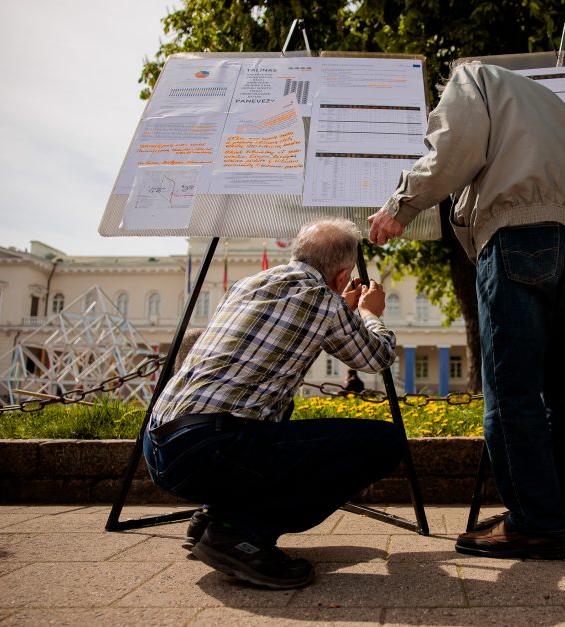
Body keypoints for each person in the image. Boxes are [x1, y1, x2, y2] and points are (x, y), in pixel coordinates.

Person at [368, 61, 565, 560]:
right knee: (564, 390)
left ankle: (534, 524)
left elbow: (454, 146)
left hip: (515, 233)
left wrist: (400, 205)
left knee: (511, 386)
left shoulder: (470, 76)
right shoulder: (552, 103)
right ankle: (560, 510)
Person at [143, 217, 402, 589]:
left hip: (160, 446)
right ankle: (238, 534)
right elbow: (376, 358)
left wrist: (339, 309)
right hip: (210, 450)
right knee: (383, 442)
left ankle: (214, 516)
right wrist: (367, 315)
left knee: (272, 409)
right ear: (344, 275)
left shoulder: (247, 284)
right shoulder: (325, 302)